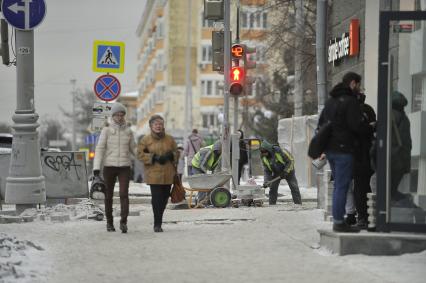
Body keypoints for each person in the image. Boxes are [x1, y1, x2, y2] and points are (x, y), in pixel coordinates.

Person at [318, 71, 373, 232]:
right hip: (344, 150)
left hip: (331, 151)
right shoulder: (350, 102)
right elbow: (356, 126)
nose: (359, 88)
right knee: (343, 186)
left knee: (340, 187)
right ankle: (339, 222)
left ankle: (339, 219)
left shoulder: (330, 102)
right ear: (353, 83)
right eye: (359, 85)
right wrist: (369, 127)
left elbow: (321, 125)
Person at [93, 102, 136, 233]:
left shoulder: (129, 131)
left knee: (124, 194)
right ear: (112, 116)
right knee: (108, 196)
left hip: (124, 167)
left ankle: (123, 222)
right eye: (117, 115)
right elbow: (100, 149)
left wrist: (147, 158)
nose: (119, 117)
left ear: (124, 115)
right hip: (109, 167)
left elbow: (134, 149)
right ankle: (109, 223)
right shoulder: (106, 130)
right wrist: (96, 168)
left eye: (121, 114)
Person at [137, 115, 177, 232]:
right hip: (153, 173)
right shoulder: (146, 140)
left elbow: (177, 152)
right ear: (151, 126)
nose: (158, 126)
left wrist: (171, 156)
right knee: (156, 199)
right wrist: (153, 157)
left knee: (164, 198)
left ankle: (159, 219)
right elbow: (140, 154)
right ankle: (157, 223)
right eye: (156, 124)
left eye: (160, 124)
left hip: (168, 173)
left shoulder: (170, 139)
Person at [352, 92, 376, 228]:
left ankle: (363, 218)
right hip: (367, 154)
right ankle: (366, 216)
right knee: (364, 186)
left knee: (359, 189)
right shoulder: (369, 110)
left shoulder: (358, 112)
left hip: (359, 155)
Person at [260, 140, 302, 205]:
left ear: (269, 150)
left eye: (264, 152)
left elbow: (291, 161)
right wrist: (266, 181)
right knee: (273, 188)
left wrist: (285, 171)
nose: (263, 154)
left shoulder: (281, 152)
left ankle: (298, 204)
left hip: (288, 171)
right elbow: (267, 171)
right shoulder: (263, 157)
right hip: (276, 172)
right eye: (262, 152)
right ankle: (272, 205)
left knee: (294, 187)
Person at [390, 91, 412, 203]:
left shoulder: (391, 116)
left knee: (388, 191)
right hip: (401, 159)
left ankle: (405, 205)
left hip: (394, 159)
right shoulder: (404, 117)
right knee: (393, 191)